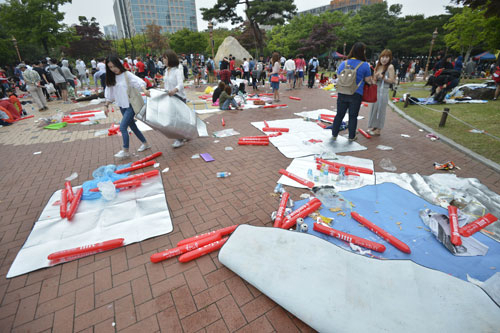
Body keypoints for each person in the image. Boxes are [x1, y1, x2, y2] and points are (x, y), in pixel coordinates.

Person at [104, 56, 151, 158]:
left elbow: (138, 82)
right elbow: (109, 93)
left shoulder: (126, 74)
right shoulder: (111, 78)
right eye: (110, 67)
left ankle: (125, 150)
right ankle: (145, 143)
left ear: (118, 64)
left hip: (131, 105)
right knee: (133, 126)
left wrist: (144, 90)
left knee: (122, 127)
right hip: (122, 106)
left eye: (114, 66)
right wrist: (106, 105)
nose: (113, 69)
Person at [331, 42, 373, 142]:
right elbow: (368, 80)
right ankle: (351, 136)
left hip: (342, 91)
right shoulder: (364, 65)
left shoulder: (343, 63)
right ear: (362, 52)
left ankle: (334, 134)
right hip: (356, 93)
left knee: (339, 114)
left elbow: (338, 75)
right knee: (353, 116)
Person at [163, 50, 190, 148]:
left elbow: (181, 84)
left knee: (177, 120)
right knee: (175, 119)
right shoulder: (166, 70)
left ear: (170, 59)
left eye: (165, 58)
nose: (163, 60)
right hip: (169, 97)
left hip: (179, 97)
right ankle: (184, 135)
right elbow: (166, 84)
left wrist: (174, 90)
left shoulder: (177, 70)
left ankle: (180, 139)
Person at [367, 49, 396, 136]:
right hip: (376, 89)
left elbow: (392, 80)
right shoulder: (378, 66)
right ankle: (374, 126)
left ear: (390, 58)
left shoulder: (390, 67)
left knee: (380, 109)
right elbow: (374, 81)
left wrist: (382, 77)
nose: (384, 59)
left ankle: (378, 129)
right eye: (383, 57)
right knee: (374, 109)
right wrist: (374, 78)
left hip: (384, 91)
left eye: (387, 57)